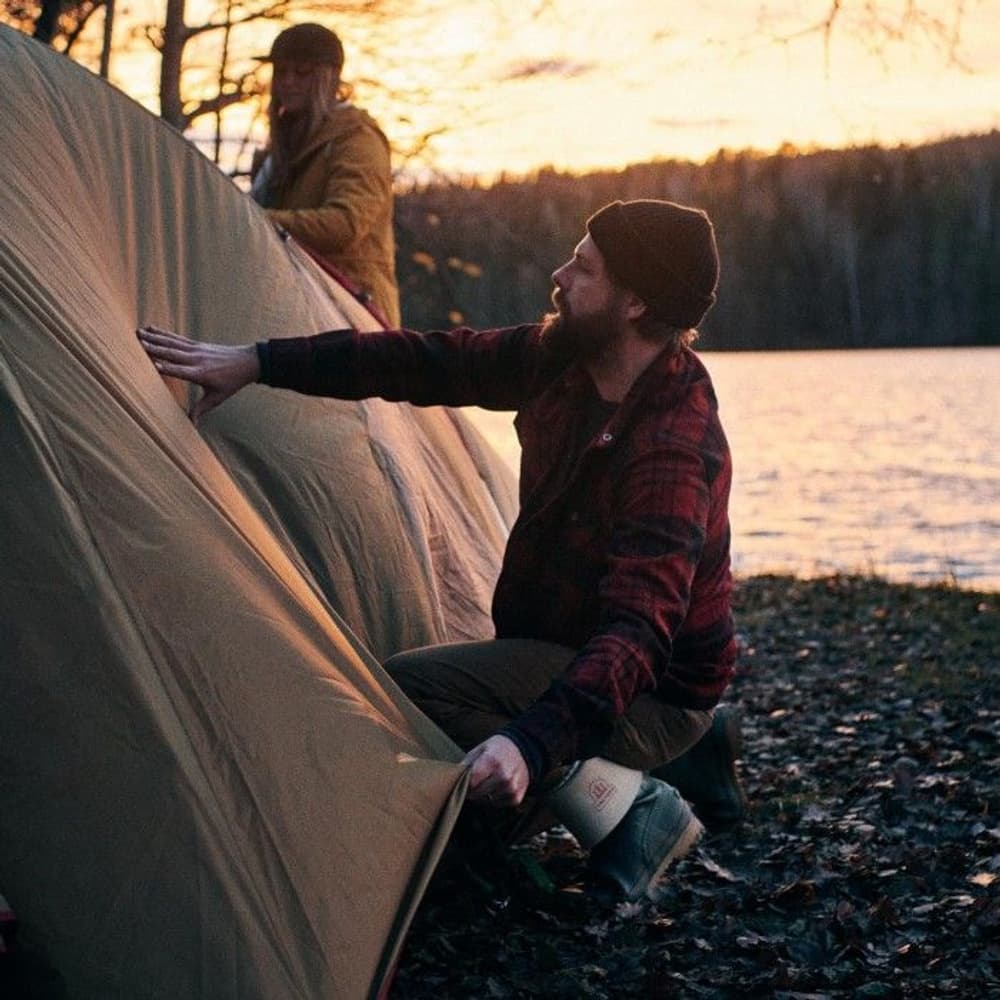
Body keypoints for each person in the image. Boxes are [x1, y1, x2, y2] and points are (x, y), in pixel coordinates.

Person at [137, 198, 745, 903]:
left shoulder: (671, 444)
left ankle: (636, 802)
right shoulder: (564, 362)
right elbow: (423, 362)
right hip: (569, 649)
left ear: (635, 303)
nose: (559, 275)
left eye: (583, 268)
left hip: (651, 685)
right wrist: (257, 362)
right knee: (459, 782)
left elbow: (638, 634)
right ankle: (656, 764)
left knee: (419, 696)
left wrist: (530, 745)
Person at [250, 22, 401, 327]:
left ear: (327, 78)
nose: (288, 82)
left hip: (354, 313)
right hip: (301, 306)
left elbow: (345, 225)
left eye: (301, 73)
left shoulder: (357, 139)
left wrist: (256, 221)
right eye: (281, 72)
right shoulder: (281, 150)